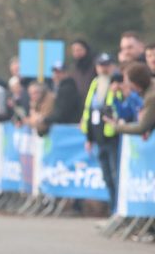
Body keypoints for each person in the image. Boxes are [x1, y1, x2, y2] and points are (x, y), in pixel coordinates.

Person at [80, 53, 121, 215]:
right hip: (98, 138)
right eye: (100, 65)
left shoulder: (117, 82)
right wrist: (89, 137)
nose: (104, 69)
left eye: (107, 65)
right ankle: (113, 209)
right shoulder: (95, 83)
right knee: (107, 177)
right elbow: (89, 111)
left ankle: (119, 209)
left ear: (112, 66)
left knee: (116, 175)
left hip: (113, 137)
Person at [105, 63, 155, 137]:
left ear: (135, 83)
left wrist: (116, 127)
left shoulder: (150, 96)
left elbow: (142, 127)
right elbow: (125, 113)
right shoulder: (140, 91)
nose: (124, 83)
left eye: (126, 80)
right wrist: (115, 97)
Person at [36, 62, 82, 135]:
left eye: (59, 73)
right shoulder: (63, 88)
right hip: (66, 129)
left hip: (67, 130)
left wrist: (45, 119)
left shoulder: (66, 89)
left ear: (65, 73)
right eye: (54, 73)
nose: (56, 75)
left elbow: (61, 114)